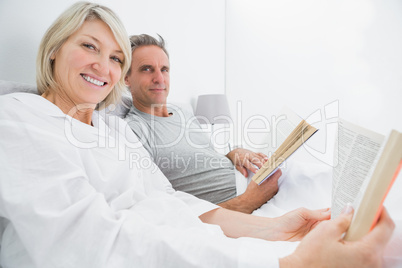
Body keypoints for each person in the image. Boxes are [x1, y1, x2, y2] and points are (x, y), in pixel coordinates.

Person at [0, 2, 394, 267]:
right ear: (54, 49)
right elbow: (86, 241)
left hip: (184, 235)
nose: (104, 67)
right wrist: (286, 262)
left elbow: (172, 204)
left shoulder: (113, 129)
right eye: (90, 46)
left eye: (116, 58)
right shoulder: (19, 119)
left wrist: (275, 229)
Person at [124, 34, 280, 213]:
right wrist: (248, 201)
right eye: (147, 69)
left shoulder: (183, 112)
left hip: (255, 178)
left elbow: (206, 159)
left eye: (164, 69)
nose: (160, 79)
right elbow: (161, 210)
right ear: (126, 78)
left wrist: (232, 154)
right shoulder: (133, 130)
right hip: (246, 200)